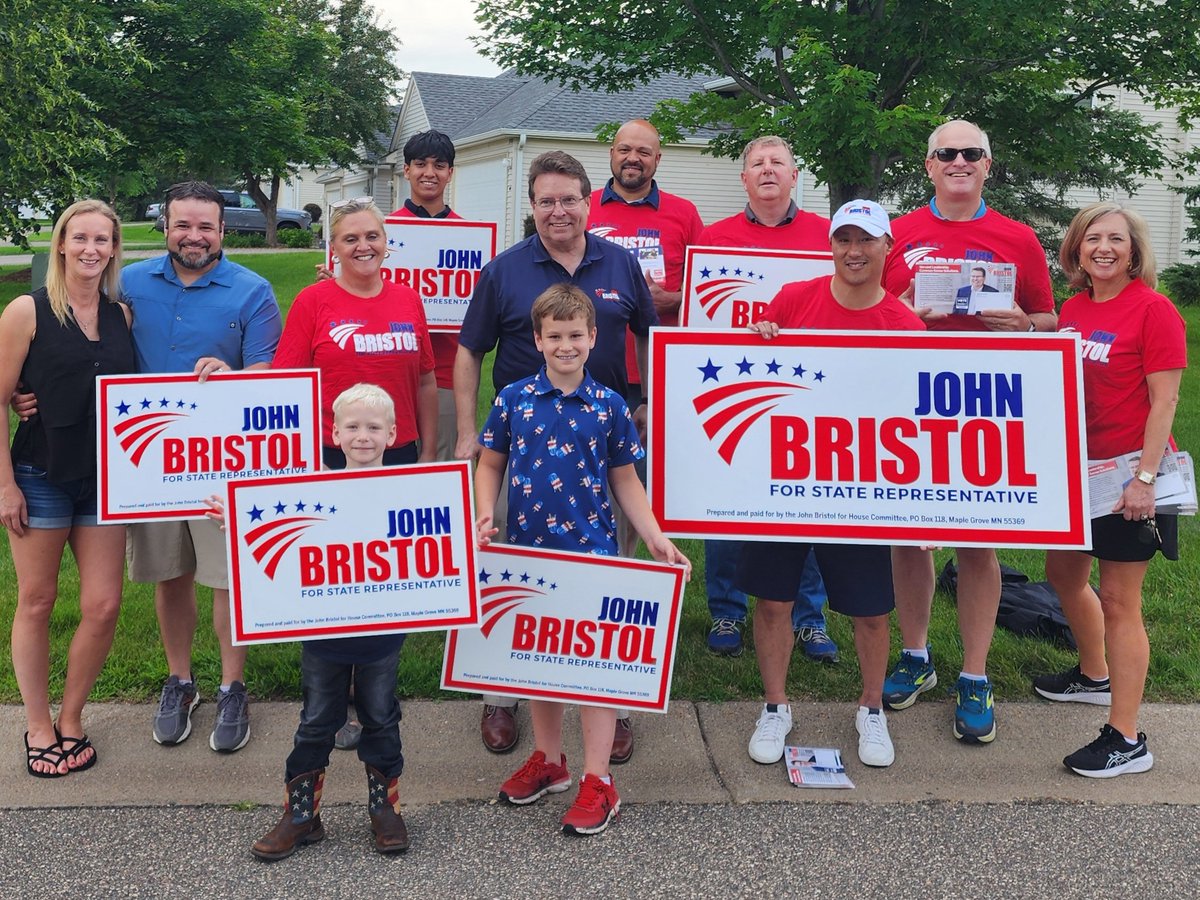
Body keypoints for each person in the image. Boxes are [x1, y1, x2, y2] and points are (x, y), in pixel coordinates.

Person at [455, 150, 657, 759]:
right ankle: (503, 695)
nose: (558, 210)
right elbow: (469, 351)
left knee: (608, 568)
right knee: (517, 566)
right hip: (526, 443)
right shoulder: (504, 271)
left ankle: (610, 699)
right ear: (533, 205)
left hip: (604, 441)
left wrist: (646, 398)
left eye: (569, 198)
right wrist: (468, 431)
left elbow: (649, 333)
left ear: (589, 201)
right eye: (546, 200)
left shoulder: (621, 264)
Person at [475, 284, 690, 835]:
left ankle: (600, 780)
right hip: (529, 553)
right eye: (555, 336)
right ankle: (550, 762)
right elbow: (491, 464)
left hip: (592, 555)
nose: (565, 345)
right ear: (537, 340)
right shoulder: (513, 399)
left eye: (576, 335)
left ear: (593, 338)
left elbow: (626, 480)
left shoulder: (610, 406)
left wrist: (657, 537)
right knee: (542, 667)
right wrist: (482, 515)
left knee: (594, 675)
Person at [881, 120, 1058, 744]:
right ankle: (917, 656)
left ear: (988, 166)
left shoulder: (1017, 237)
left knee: (978, 543)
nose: (958, 161)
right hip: (908, 407)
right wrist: (903, 314)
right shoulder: (896, 234)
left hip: (985, 409)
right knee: (910, 539)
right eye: (945, 153)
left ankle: (975, 675)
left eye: (971, 153)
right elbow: (865, 311)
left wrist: (1023, 325)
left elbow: (1046, 317)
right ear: (928, 166)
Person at [741, 200, 924, 769]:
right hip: (787, 480)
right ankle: (775, 706)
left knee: (870, 611)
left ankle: (870, 709)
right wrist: (761, 336)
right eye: (843, 239)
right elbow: (756, 377)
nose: (853, 250)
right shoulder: (795, 300)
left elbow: (921, 421)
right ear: (830, 245)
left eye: (866, 240)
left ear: (886, 247)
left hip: (862, 488)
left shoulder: (905, 324)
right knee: (773, 602)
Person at [207, 385, 411, 858]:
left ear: (393, 435)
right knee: (317, 722)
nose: (364, 436)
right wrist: (236, 521)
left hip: (381, 635)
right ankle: (301, 815)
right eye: (353, 427)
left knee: (382, 717)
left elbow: (441, 536)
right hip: (323, 635)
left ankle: (385, 809)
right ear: (334, 433)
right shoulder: (310, 491)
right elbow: (277, 535)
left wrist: (468, 535)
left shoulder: (410, 490)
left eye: (374, 428)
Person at [128, 181, 282, 752]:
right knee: (170, 573)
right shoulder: (130, 283)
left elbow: (270, 376)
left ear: (223, 230)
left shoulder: (253, 290)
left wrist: (237, 376)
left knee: (225, 578)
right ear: (165, 227)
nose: (195, 236)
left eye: (206, 227)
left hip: (224, 459)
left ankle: (232, 684)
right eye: (183, 225)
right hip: (147, 461)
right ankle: (180, 679)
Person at [1032, 203, 1185, 777]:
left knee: (1121, 601)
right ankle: (1094, 675)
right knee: (1064, 576)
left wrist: (1144, 481)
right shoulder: (1074, 307)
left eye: (1115, 240)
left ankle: (1126, 738)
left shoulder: (1154, 310)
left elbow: (1165, 401)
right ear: (1075, 249)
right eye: (1091, 238)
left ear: (1134, 250)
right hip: (1077, 471)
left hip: (1125, 476)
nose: (1103, 248)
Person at [0, 200, 135, 777]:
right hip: (40, 475)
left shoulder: (120, 315)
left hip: (106, 480)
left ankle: (73, 716)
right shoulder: (26, 312)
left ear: (113, 249)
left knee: (103, 605)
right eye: (80, 237)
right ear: (60, 244)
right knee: (37, 600)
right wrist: (5, 486)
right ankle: (36, 723)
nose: (91, 249)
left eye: (102, 240)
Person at [695, 135, 837, 662]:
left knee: (806, 504)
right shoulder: (714, 240)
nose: (768, 170)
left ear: (796, 176)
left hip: (810, 392)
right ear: (745, 180)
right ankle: (727, 609)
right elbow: (700, 324)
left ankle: (810, 617)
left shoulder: (827, 237)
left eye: (779, 161)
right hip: (732, 389)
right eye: (757, 163)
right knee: (729, 500)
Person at [586, 119, 703, 535]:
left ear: (657, 159)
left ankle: (626, 569)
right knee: (580, 475)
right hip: (589, 367)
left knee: (635, 481)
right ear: (612, 152)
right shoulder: (584, 208)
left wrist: (671, 299)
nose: (632, 158)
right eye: (624, 149)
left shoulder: (683, 214)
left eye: (643, 152)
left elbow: (705, 290)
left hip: (652, 374)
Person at [394, 129, 463, 462]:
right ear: (406, 170)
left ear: (450, 172)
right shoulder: (381, 232)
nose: (429, 173)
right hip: (390, 369)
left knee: (441, 469)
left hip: (447, 372)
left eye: (439, 165)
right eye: (420, 164)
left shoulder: (470, 237)